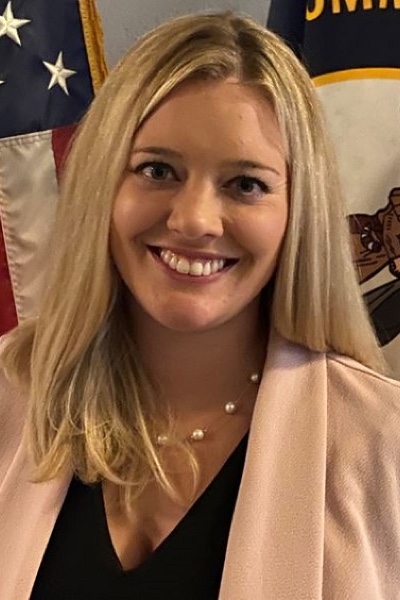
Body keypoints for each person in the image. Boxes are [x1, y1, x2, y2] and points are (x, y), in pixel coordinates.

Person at [1, 10, 400, 600]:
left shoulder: (382, 446)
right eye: (157, 170)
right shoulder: (12, 389)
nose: (193, 220)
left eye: (246, 184)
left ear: (298, 212)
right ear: (102, 185)